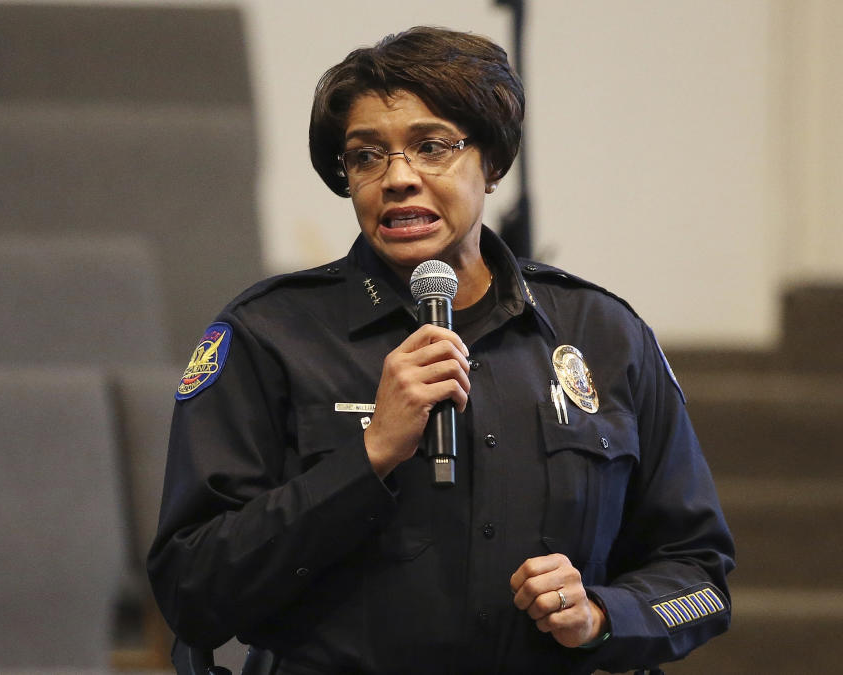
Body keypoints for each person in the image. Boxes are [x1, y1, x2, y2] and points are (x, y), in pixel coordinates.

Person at [148, 26, 734, 674]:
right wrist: (368, 456)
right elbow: (190, 590)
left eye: (431, 147)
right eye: (367, 156)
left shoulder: (603, 334)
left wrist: (601, 615)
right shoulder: (269, 336)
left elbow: (701, 579)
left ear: (493, 160)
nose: (398, 178)